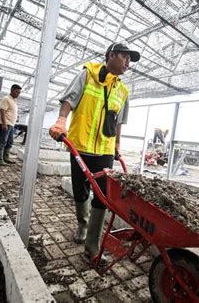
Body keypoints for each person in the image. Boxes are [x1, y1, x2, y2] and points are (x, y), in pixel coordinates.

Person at [49, 43, 140, 260]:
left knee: (103, 196)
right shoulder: (87, 75)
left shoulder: (123, 90)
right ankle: (82, 224)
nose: (128, 63)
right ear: (111, 55)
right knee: (80, 191)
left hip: (105, 151)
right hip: (80, 145)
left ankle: (92, 245)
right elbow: (68, 100)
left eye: (130, 60)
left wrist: (117, 145)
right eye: (125, 57)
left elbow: (119, 122)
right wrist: (61, 121)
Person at [0, 84, 21, 165]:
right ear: (12, 90)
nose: (18, 94)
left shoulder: (14, 100)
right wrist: (4, 124)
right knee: (2, 141)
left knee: (9, 142)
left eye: (19, 92)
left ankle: (5, 158)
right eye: (17, 91)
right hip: (4, 123)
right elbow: (2, 111)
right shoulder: (6, 99)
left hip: (11, 124)